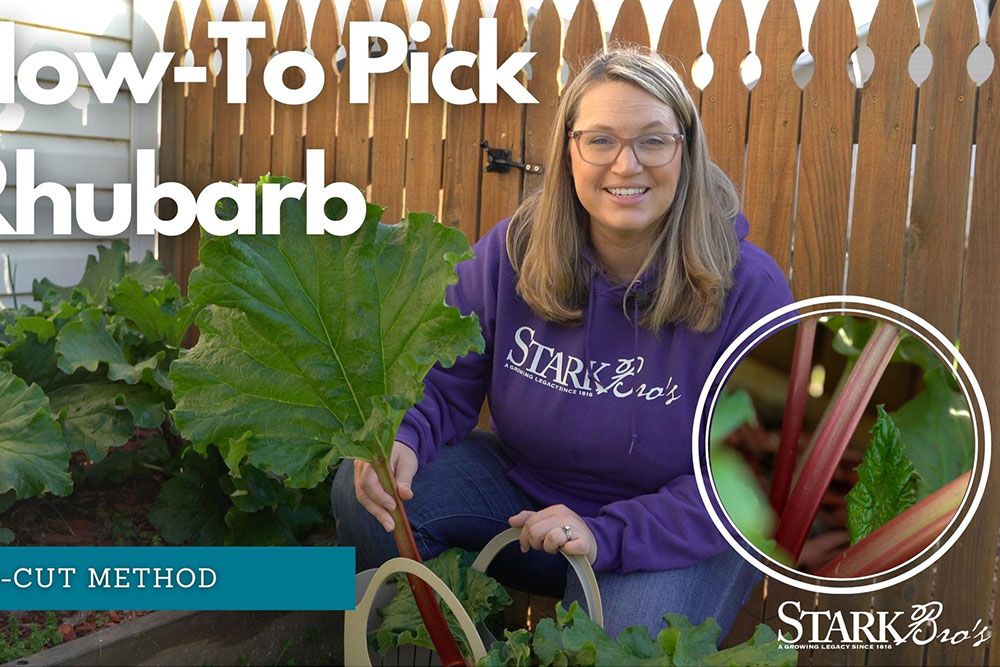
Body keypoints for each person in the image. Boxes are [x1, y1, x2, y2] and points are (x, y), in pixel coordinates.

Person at [332, 45, 793, 639]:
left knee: (624, 645)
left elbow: (748, 479)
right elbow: (444, 379)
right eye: (600, 140)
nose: (626, 166)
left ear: (686, 152)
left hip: (674, 530)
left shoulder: (748, 287)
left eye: (653, 140)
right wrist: (406, 435)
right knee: (365, 488)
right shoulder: (514, 252)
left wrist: (608, 535)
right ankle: (475, 647)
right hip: (527, 499)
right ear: (569, 150)